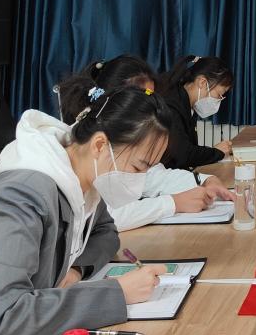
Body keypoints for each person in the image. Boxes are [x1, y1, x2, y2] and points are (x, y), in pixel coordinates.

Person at [0, 83, 172, 335]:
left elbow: (105, 232)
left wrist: (76, 270)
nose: (139, 180)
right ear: (99, 145)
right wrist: (117, 294)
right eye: (138, 167)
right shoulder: (21, 197)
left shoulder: (84, 177)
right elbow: (1, 320)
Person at [58, 56, 234, 231]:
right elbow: (107, 217)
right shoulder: (76, 161)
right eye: (142, 101)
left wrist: (204, 179)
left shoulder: (114, 145)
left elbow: (153, 175)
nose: (149, 110)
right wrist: (171, 203)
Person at [157, 54, 234, 170]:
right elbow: (183, 155)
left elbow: (188, 149)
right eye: (219, 95)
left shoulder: (187, 104)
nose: (219, 100)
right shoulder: (171, 105)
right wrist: (217, 152)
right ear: (202, 82)